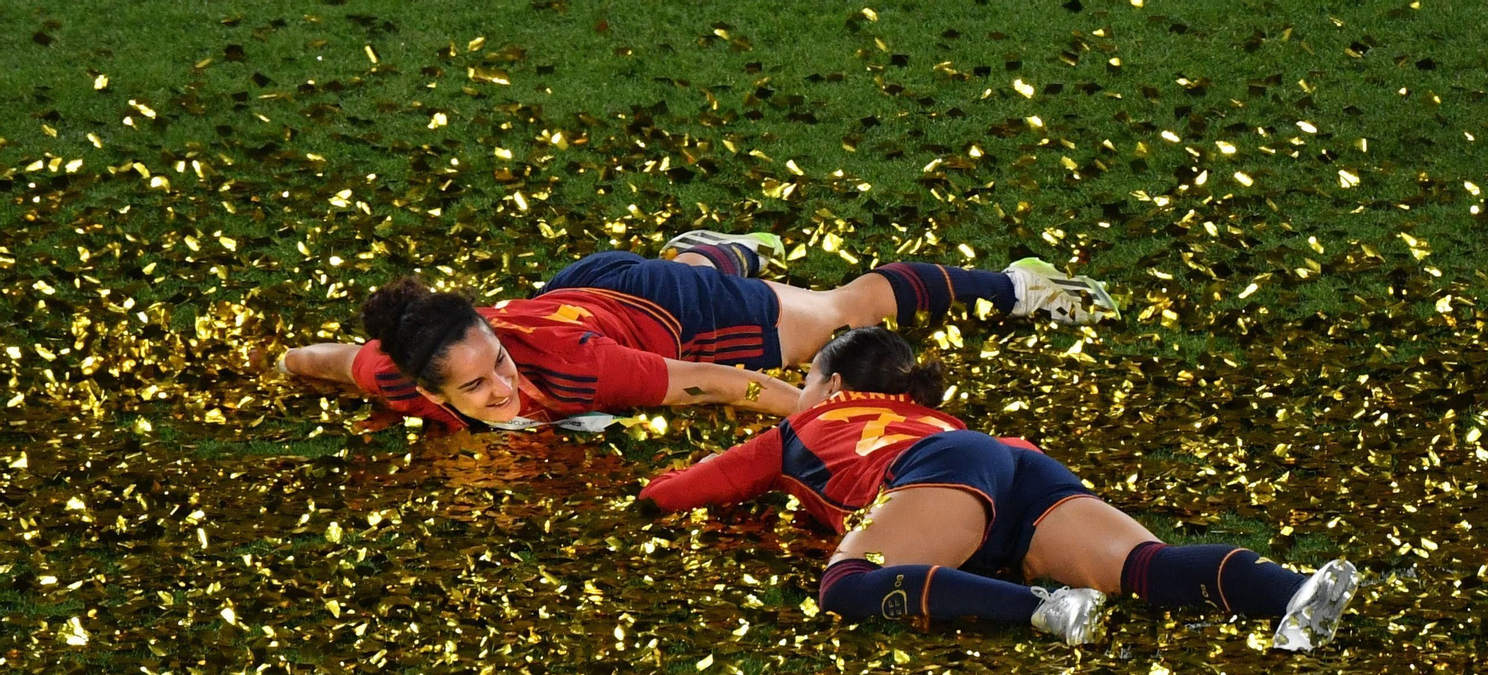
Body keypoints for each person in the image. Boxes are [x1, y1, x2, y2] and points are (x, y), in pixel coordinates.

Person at [640, 326, 1358, 651]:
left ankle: (1042, 610)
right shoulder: (931, 411)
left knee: (848, 584)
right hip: (1015, 463)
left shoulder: (805, 425)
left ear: (830, 384)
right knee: (1143, 565)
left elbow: (677, 492)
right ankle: (1290, 590)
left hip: (941, 471)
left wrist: (644, 496)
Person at [276, 230, 1119, 431]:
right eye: (475, 385)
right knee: (693, 275)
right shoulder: (397, 372)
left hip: (655, 314)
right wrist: (270, 362)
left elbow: (716, 382)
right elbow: (317, 359)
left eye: (495, 362)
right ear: (426, 388)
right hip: (579, 287)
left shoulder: (586, 374)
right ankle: (709, 251)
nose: (501, 386)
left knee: (834, 312)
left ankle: (1019, 288)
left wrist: (819, 417)